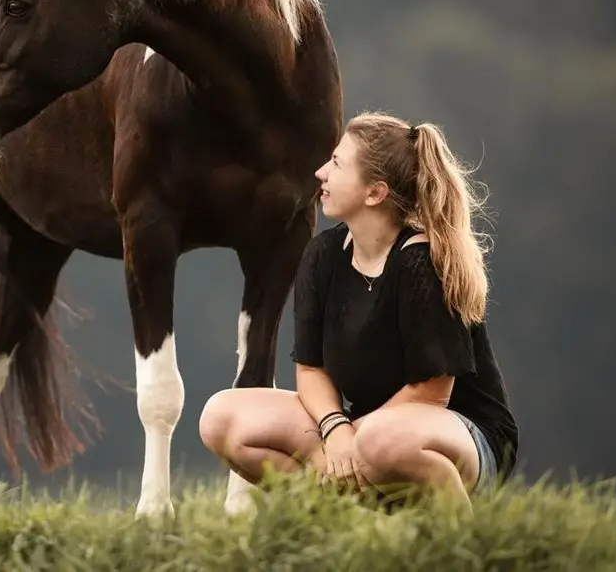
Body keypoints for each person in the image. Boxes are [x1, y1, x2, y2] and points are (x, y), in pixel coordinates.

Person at [199, 111, 518, 511]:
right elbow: (311, 370)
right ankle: (350, 522)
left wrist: (354, 441)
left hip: (463, 436)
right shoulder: (323, 255)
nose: (320, 173)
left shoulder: (421, 263)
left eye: (336, 163)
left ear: (375, 193)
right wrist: (336, 433)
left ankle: (463, 546)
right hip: (365, 430)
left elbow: (432, 393)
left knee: (377, 441)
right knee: (223, 418)